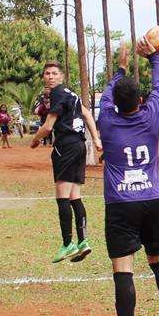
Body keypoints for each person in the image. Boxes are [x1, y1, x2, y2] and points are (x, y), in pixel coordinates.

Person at [98, 39, 159, 316]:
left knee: (123, 270)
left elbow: (106, 92)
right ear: (141, 101)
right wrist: (155, 55)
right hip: (151, 200)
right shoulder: (150, 117)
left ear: (115, 103)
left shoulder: (106, 119)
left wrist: (120, 66)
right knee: (158, 259)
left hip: (120, 203)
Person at [31, 61, 103, 263]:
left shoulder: (57, 94)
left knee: (62, 198)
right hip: (80, 146)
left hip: (65, 147)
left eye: (54, 73)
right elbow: (87, 114)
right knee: (74, 197)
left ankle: (67, 243)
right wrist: (96, 139)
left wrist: (35, 140)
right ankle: (83, 241)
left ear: (61, 77)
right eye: (47, 74)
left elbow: (48, 126)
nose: (50, 77)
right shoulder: (72, 94)